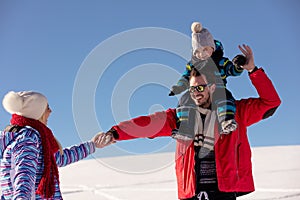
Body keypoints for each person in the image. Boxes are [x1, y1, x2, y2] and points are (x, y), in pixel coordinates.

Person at [95, 45, 281, 200]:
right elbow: (146, 124)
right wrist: (114, 133)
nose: (195, 93)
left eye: (200, 87)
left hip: (223, 193)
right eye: (192, 89)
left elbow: (271, 102)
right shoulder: (179, 117)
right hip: (191, 192)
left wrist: (253, 71)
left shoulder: (237, 113)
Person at [0, 91, 106, 200]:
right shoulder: (28, 138)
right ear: (37, 112)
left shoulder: (38, 139)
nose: (50, 111)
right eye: (47, 107)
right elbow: (24, 174)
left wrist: (93, 145)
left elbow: (60, 158)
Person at [169, 22, 246, 136]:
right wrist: (179, 87)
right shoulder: (193, 65)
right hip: (198, 93)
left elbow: (232, 71)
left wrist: (238, 65)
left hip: (218, 90)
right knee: (185, 100)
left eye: (205, 49)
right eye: (198, 51)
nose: (202, 54)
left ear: (213, 48)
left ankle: (226, 121)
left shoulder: (220, 62)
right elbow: (186, 77)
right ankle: (186, 127)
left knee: (224, 99)